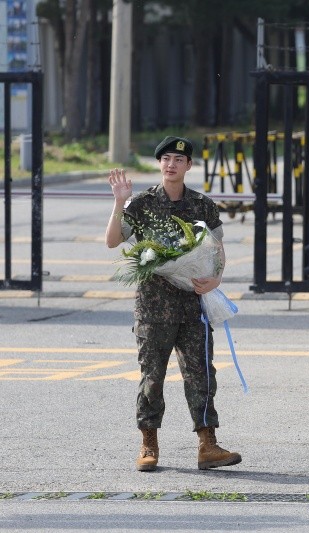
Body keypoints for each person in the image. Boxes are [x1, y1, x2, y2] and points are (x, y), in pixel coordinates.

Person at [104, 136, 241, 472]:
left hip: (193, 306)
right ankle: (148, 444)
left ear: (189, 166)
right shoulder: (142, 204)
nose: (171, 165)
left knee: (202, 375)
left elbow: (216, 248)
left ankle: (207, 444)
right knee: (152, 377)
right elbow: (112, 241)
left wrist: (216, 278)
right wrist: (119, 203)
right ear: (159, 164)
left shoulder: (202, 204)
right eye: (166, 159)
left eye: (178, 160)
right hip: (154, 307)